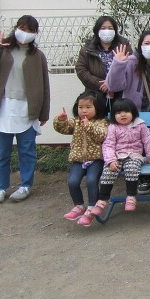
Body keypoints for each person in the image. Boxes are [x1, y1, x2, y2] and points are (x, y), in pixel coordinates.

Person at [0, 15, 50, 204]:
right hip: (2, 107)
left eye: (31, 31)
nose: (26, 33)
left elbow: (44, 85)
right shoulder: (2, 49)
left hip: (27, 108)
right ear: (15, 28)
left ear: (35, 34)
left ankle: (25, 185)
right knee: (0, 151)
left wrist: (44, 112)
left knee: (27, 151)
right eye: (23, 28)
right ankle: (0, 187)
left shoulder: (38, 56)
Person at [106, 29, 150, 195]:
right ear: (140, 45)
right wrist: (118, 64)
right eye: (147, 43)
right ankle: (142, 178)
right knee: (136, 147)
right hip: (132, 116)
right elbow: (113, 86)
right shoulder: (130, 62)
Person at [53, 91, 109, 227]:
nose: (84, 110)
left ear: (97, 107)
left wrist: (88, 126)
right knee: (72, 181)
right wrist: (61, 120)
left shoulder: (102, 122)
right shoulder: (76, 122)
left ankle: (91, 207)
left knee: (91, 180)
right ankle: (79, 206)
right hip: (78, 159)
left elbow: (101, 135)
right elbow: (64, 128)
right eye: (80, 107)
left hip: (96, 159)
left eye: (88, 107)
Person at [98, 98, 150, 213]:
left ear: (133, 112)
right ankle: (103, 199)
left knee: (132, 168)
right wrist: (111, 160)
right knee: (109, 171)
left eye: (126, 111)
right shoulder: (113, 127)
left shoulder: (140, 125)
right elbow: (108, 145)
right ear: (114, 115)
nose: (123, 115)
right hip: (117, 156)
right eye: (119, 112)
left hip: (135, 155)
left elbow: (147, 140)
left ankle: (131, 197)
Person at [75, 15, 131, 99]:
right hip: (95, 95)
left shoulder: (124, 47)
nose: (107, 31)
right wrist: (100, 84)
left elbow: (131, 69)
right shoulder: (87, 49)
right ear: (97, 30)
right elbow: (81, 70)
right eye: (103, 28)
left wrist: (111, 84)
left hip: (120, 95)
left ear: (115, 30)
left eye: (110, 28)